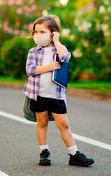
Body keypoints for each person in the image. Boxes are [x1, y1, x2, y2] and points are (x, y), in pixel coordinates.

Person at [23, 15, 94, 167]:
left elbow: (65, 57)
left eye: (42, 31)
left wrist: (56, 41)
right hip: (37, 94)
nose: (37, 35)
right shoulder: (33, 52)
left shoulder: (58, 49)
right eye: (36, 32)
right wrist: (47, 68)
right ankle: (44, 152)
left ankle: (74, 154)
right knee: (42, 123)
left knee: (64, 124)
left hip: (56, 95)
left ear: (53, 33)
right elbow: (30, 70)